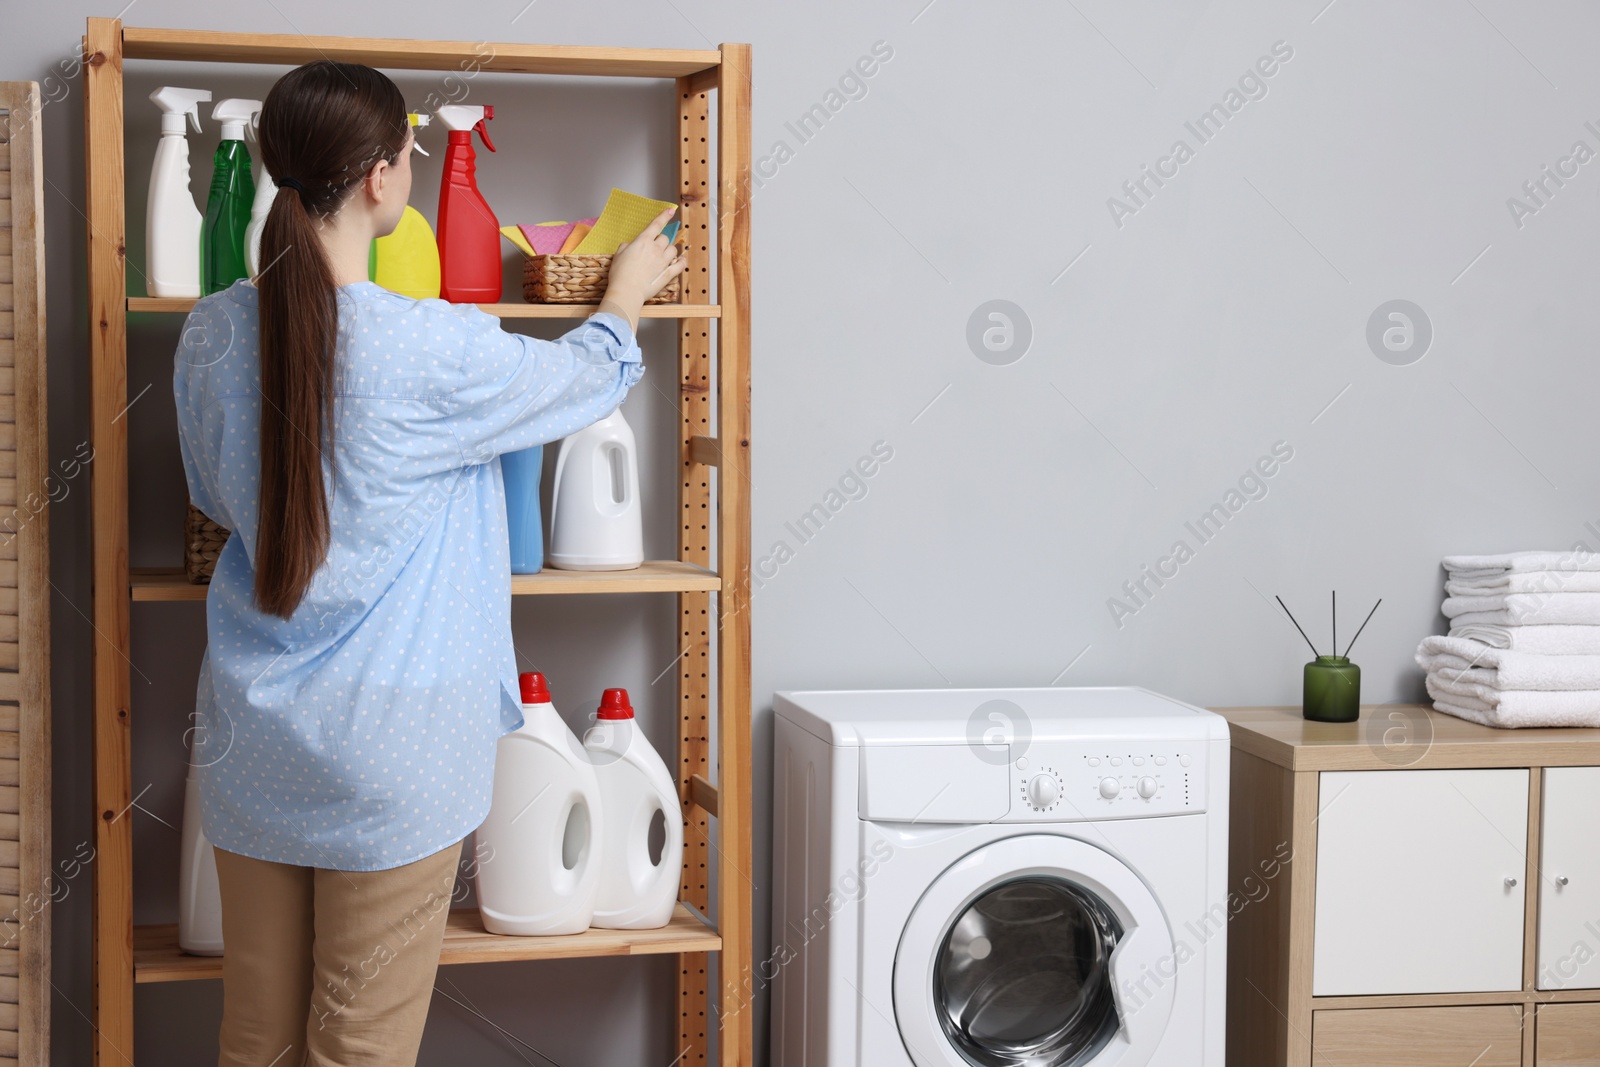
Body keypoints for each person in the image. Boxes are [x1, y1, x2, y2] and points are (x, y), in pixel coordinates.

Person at [173, 59, 685, 1067]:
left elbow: (212, 496)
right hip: (394, 748)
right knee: (359, 1044)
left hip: (254, 739)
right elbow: (579, 379)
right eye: (408, 150)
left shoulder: (209, 333)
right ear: (378, 179)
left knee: (257, 1038)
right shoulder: (436, 346)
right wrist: (621, 297)